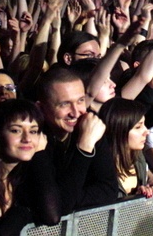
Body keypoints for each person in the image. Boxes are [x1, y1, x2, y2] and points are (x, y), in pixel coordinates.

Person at [35, 64, 119, 213]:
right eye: (65, 104)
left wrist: (67, 197)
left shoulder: (90, 126)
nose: (75, 112)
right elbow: (59, 207)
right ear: (41, 109)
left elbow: (109, 190)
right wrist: (84, 148)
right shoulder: (32, 139)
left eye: (80, 101)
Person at [0, 98, 60, 235]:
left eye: (33, 131)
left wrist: (40, 155)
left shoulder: (23, 179)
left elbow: (52, 216)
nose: (27, 138)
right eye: (16, 130)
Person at [97, 97, 153, 199]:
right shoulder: (99, 171)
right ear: (119, 130)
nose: (147, 131)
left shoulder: (138, 157)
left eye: (144, 125)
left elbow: (147, 175)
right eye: (138, 127)